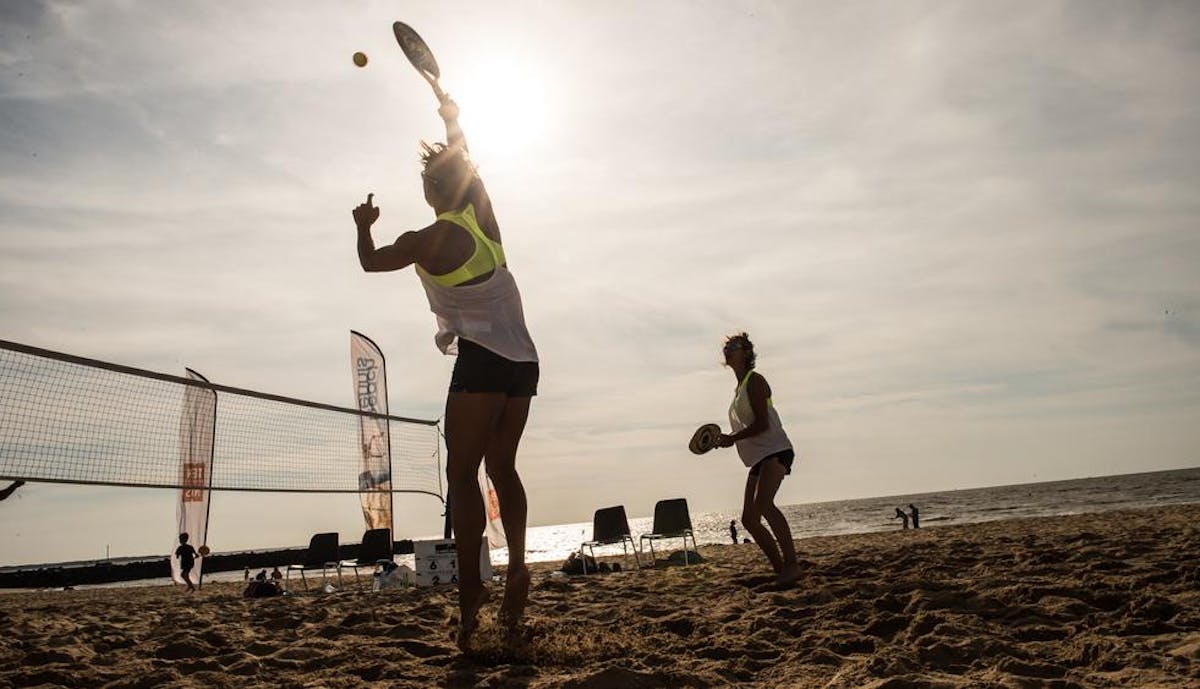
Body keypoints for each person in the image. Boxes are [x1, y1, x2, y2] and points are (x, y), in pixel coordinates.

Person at [353, 94, 538, 650]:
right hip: (524, 362)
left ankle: (471, 598)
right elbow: (468, 161)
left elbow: (369, 261)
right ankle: (521, 566)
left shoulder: (424, 240)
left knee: (462, 476)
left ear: (430, 191)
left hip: (481, 361)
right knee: (503, 467)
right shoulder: (484, 216)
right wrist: (451, 118)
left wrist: (363, 225)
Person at [714, 333, 801, 585]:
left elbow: (763, 424)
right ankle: (780, 569)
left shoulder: (755, 380)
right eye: (726, 346)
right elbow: (749, 426)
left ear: (747, 353)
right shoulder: (739, 388)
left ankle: (792, 565)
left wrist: (733, 438)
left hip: (775, 449)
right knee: (749, 519)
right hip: (759, 457)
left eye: (734, 346)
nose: (728, 350)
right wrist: (729, 438)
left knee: (764, 505)